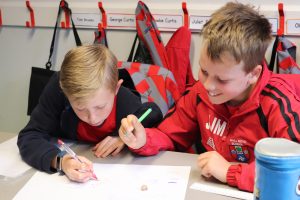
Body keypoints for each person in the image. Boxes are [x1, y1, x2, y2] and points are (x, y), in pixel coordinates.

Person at [118, 2, 300, 192]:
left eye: (222, 79)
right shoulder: (199, 93)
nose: (208, 85)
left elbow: (292, 174)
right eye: (204, 71)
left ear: (253, 74)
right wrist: (143, 140)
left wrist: (230, 171)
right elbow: (168, 134)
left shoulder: (277, 102)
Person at [18, 44, 162, 182]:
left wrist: (123, 136)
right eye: (80, 108)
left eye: (100, 107)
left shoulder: (123, 99)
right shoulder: (59, 89)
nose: (92, 118)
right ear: (65, 93)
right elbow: (29, 136)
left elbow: (152, 110)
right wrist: (61, 161)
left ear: (116, 89)